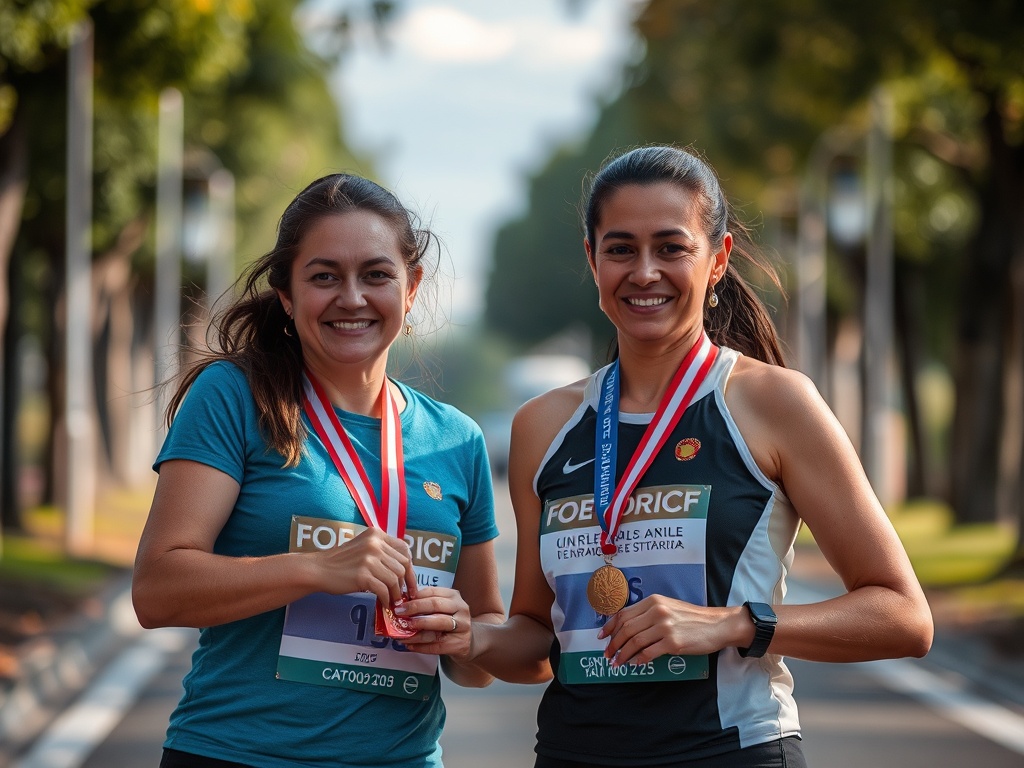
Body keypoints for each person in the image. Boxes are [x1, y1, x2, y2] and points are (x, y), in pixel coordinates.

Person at [463, 145, 934, 767]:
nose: (645, 271)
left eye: (672, 247)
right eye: (621, 248)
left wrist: (736, 623)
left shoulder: (774, 403)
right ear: (592, 259)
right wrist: (469, 637)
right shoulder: (543, 424)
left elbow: (903, 616)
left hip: (732, 751)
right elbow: (536, 637)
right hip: (572, 755)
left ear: (718, 260)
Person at [132, 173, 504, 768]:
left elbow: (480, 655)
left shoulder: (457, 440)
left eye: (376, 275)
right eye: (324, 276)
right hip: (236, 756)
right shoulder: (234, 397)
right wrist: (314, 568)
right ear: (287, 294)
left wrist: (465, 634)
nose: (351, 297)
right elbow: (156, 593)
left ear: (411, 288)